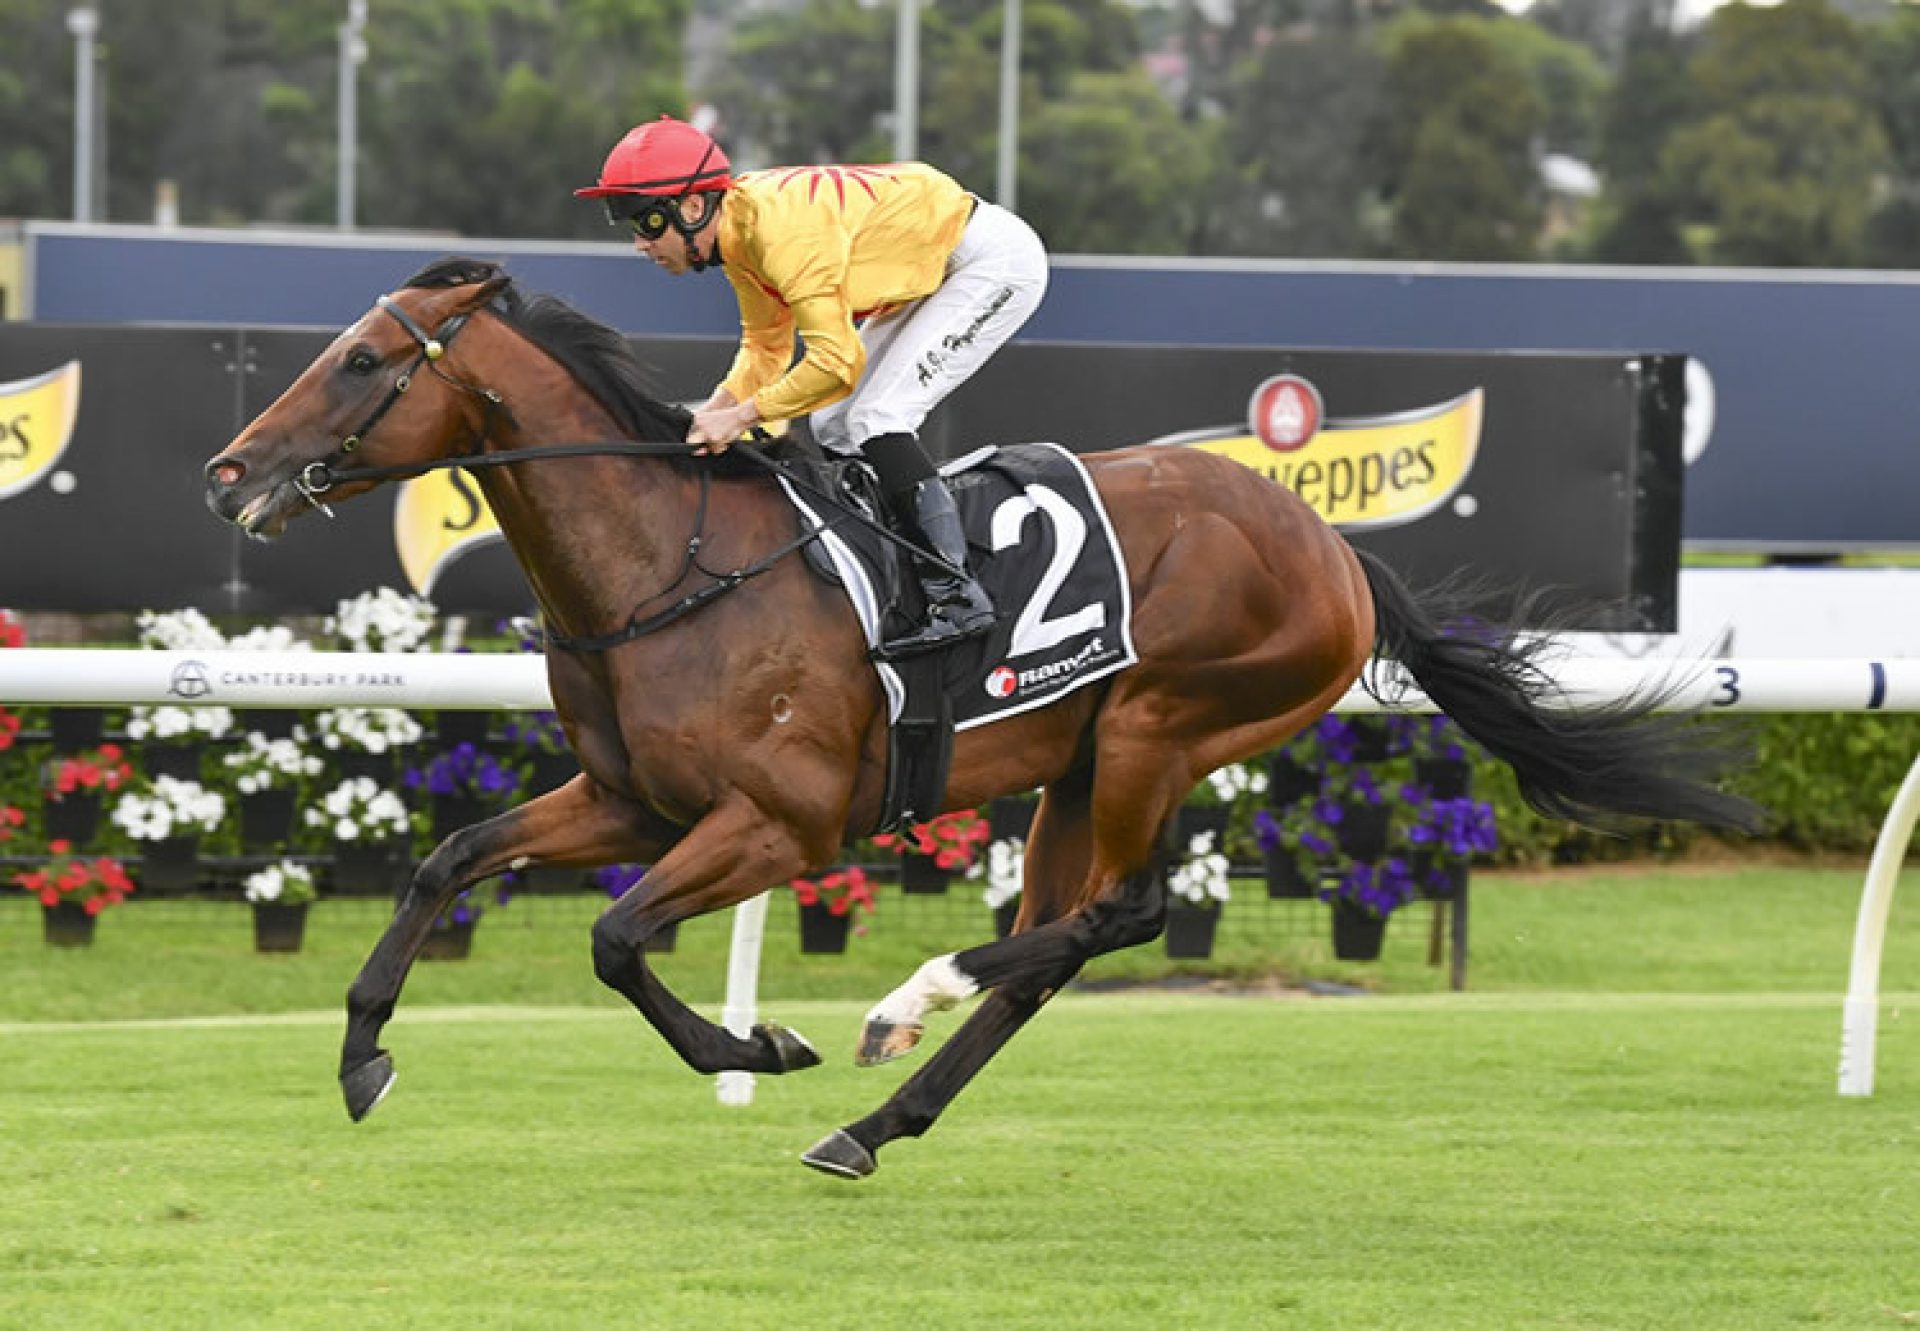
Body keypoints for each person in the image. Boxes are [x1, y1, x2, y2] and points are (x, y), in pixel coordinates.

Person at [576, 115, 1051, 659]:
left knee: (878, 417)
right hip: (932, 262)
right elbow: (766, 348)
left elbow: (836, 363)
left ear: (691, 208)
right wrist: (710, 412)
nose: (640, 244)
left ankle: (957, 595)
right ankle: (890, 575)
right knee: (832, 423)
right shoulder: (738, 233)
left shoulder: (781, 235)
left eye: (647, 223)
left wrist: (740, 418)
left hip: (989, 263)